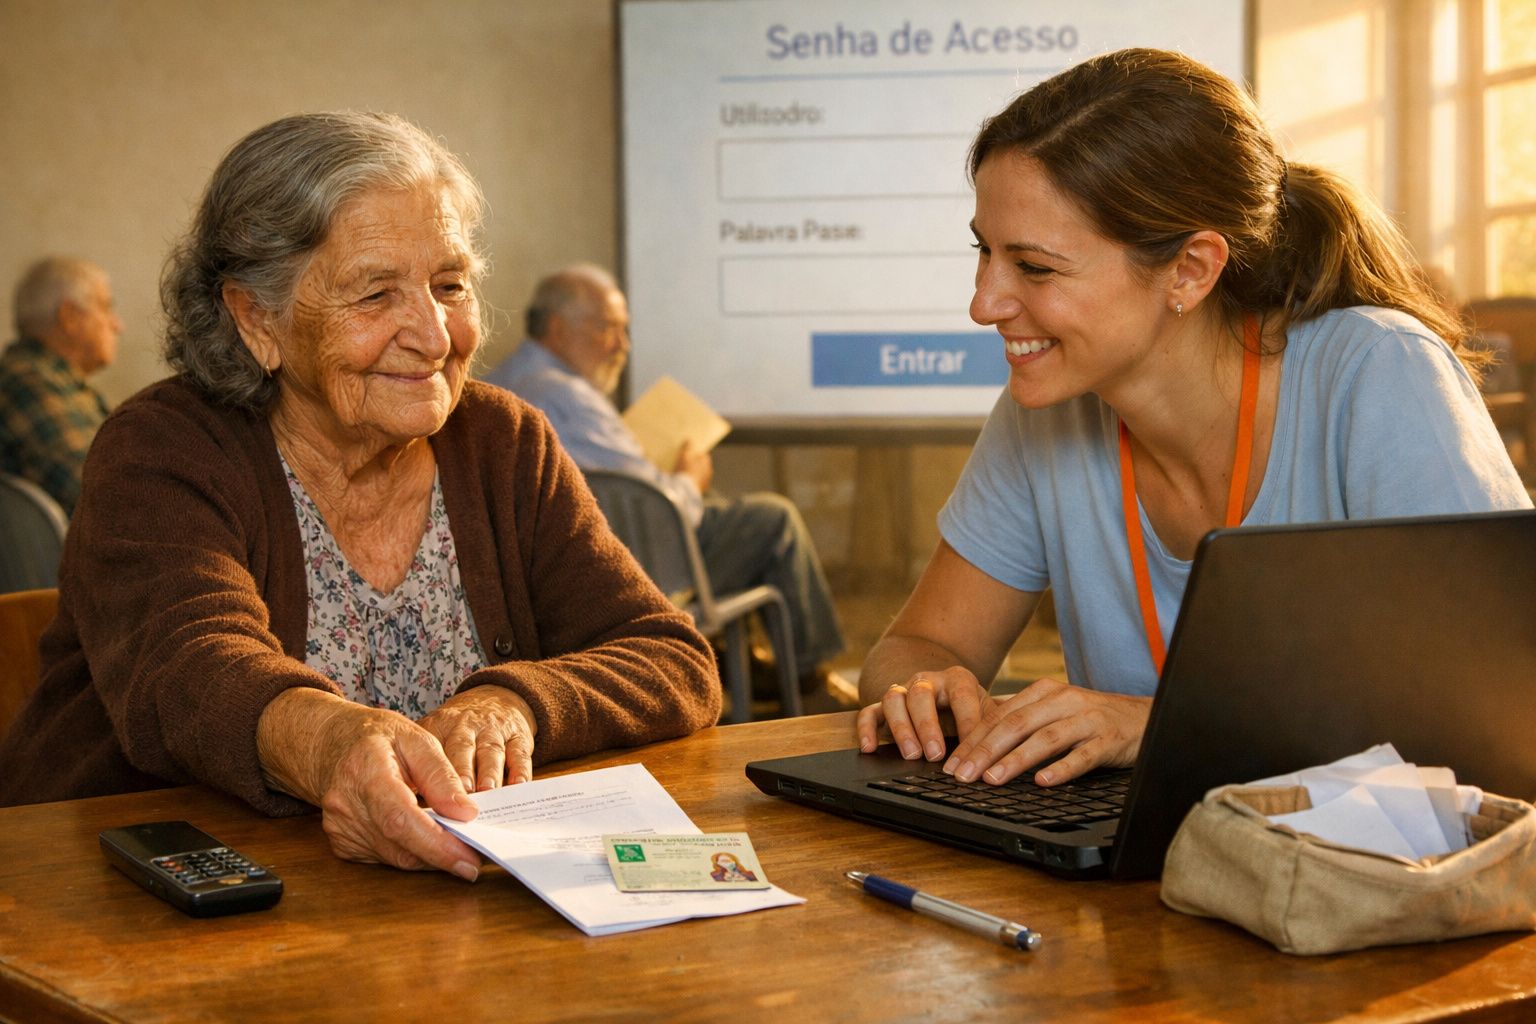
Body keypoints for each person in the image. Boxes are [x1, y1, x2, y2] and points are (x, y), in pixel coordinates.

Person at [0, 112, 721, 882]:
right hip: (143, 910)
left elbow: (671, 658)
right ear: (256, 320)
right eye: (376, 294)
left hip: (445, 915)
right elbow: (191, 668)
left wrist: (515, 699)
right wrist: (335, 743)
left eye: (450, 286)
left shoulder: (503, 443)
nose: (436, 335)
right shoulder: (161, 449)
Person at [855, 48, 1532, 790]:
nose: (984, 303)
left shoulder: (1377, 372)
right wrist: (922, 690)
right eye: (984, 253)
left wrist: (1155, 729)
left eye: (1036, 268)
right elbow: (919, 642)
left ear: (1191, 270)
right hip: (1145, 868)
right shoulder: (1042, 412)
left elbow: (1497, 709)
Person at [482, 265, 854, 706]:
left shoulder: (497, 385)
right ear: (559, 329)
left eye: (625, 330)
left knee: (726, 510)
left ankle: (745, 665)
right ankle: (809, 680)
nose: (623, 346)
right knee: (774, 518)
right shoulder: (568, 397)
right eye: (610, 329)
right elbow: (663, 513)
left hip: (541, 577)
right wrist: (689, 480)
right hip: (634, 572)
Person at [0, 257, 119, 515]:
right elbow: (103, 494)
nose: (117, 326)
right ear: (70, 317)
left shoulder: (52, 380)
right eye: (106, 307)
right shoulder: (28, 383)